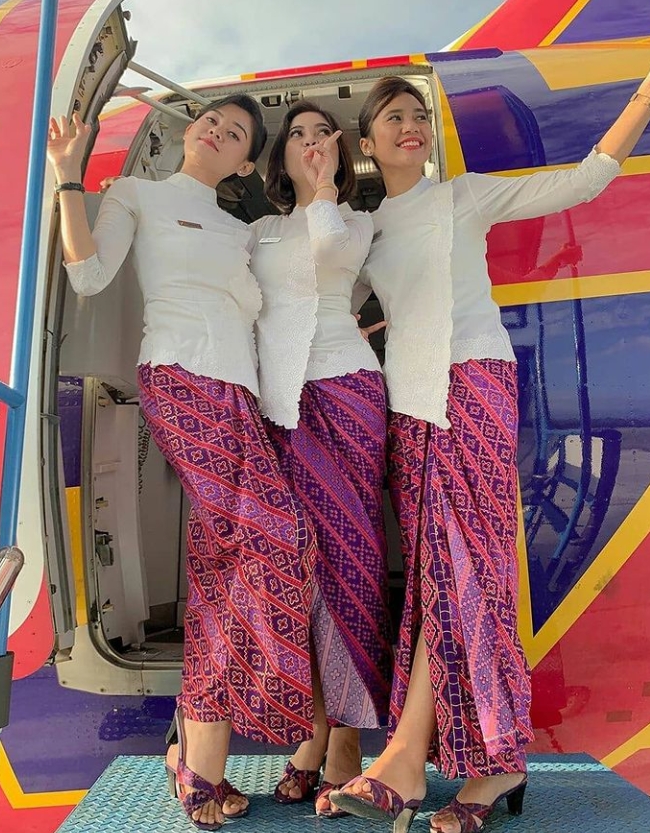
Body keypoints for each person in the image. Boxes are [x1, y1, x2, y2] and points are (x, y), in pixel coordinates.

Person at [331, 30, 650, 833]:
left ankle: (407, 759)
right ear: (367, 142)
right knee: (444, 577)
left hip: (473, 386)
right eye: (392, 117)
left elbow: (585, 180)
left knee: (463, 566)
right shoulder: (365, 232)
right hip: (411, 410)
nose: (409, 126)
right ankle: (490, 763)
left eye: (416, 115)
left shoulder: (463, 197)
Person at [47, 96, 319, 831]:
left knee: (219, 573)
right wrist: (69, 177)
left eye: (237, 132)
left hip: (241, 394)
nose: (219, 130)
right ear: (193, 131)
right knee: (278, 536)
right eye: (213, 120)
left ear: (243, 162)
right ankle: (231, 740)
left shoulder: (242, 231)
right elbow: (88, 276)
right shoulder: (140, 195)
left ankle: (198, 761)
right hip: (181, 377)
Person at [249, 101, 392, 818]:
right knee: (298, 566)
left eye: (321, 134)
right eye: (297, 136)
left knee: (351, 558)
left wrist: (328, 188)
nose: (309, 143)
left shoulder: (353, 221)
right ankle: (315, 728)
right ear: (278, 156)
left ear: (340, 147)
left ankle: (346, 743)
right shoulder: (259, 232)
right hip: (282, 404)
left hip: (348, 387)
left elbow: (331, 251)